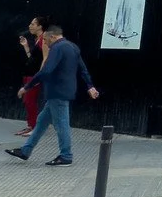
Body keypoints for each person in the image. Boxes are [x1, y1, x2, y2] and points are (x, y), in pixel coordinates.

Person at [8, 23, 98, 166]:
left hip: (57, 92)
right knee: (42, 121)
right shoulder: (73, 47)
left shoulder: (57, 48)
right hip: (64, 91)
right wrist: (90, 86)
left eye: (46, 40)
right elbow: (83, 69)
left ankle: (66, 156)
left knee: (62, 125)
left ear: (53, 36)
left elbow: (46, 70)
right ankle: (25, 151)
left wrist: (27, 87)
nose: (45, 43)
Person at [14, 17, 45, 136]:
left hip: (34, 76)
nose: (30, 26)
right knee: (27, 101)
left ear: (40, 26)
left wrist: (39, 77)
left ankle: (35, 127)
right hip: (29, 74)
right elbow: (33, 59)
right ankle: (30, 126)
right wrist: (26, 46)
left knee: (30, 101)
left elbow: (45, 60)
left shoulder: (43, 40)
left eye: (33, 24)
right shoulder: (37, 39)